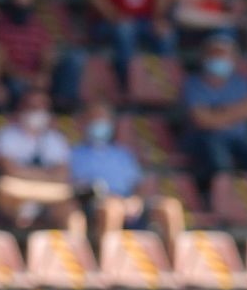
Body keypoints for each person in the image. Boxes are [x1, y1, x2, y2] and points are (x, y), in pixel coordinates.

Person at [68, 101, 183, 243]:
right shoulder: (73, 154)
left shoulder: (123, 154)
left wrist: (136, 200)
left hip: (128, 202)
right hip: (95, 205)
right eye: (95, 118)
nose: (100, 123)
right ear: (84, 122)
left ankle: (174, 260)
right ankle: (108, 261)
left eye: (104, 118)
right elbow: (76, 187)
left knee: (169, 207)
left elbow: (139, 184)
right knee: (112, 208)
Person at [184, 33, 247, 181]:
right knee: (221, 162)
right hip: (207, 138)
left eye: (224, 55)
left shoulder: (241, 83)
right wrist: (238, 112)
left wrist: (218, 113)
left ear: (233, 59)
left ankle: (246, 194)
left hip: (241, 137)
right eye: (215, 55)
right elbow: (203, 121)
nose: (219, 60)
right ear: (204, 57)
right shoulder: (193, 84)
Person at [0, 87, 82, 233]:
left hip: (49, 195)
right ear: (22, 108)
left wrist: (29, 175)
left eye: (42, 107)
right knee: (7, 187)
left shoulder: (56, 139)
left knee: (73, 214)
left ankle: (76, 253)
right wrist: (47, 175)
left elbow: (62, 174)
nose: (38, 111)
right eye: (33, 107)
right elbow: (10, 170)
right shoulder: (7, 135)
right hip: (20, 192)